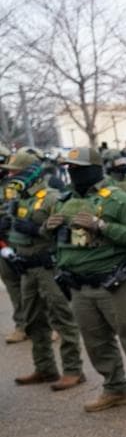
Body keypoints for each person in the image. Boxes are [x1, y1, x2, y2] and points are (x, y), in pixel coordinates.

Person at [45, 146, 126, 414]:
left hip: (114, 283)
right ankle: (115, 388)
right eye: (69, 169)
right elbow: (60, 243)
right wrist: (47, 229)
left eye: (78, 169)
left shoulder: (119, 199)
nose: (72, 173)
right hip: (79, 285)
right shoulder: (64, 201)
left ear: (94, 169)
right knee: (95, 341)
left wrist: (102, 226)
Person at [2, 147, 84, 389]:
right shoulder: (17, 199)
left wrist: (38, 230)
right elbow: (14, 230)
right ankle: (45, 368)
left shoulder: (52, 198)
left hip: (48, 267)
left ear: (29, 173)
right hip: (26, 267)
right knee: (33, 320)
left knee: (63, 318)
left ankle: (73, 370)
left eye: (15, 171)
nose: (10, 176)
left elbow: (66, 232)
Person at [0, 145, 28, 345]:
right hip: (2, 242)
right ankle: (22, 325)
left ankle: (52, 324)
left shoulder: (18, 184)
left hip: (21, 239)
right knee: (11, 282)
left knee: (32, 282)